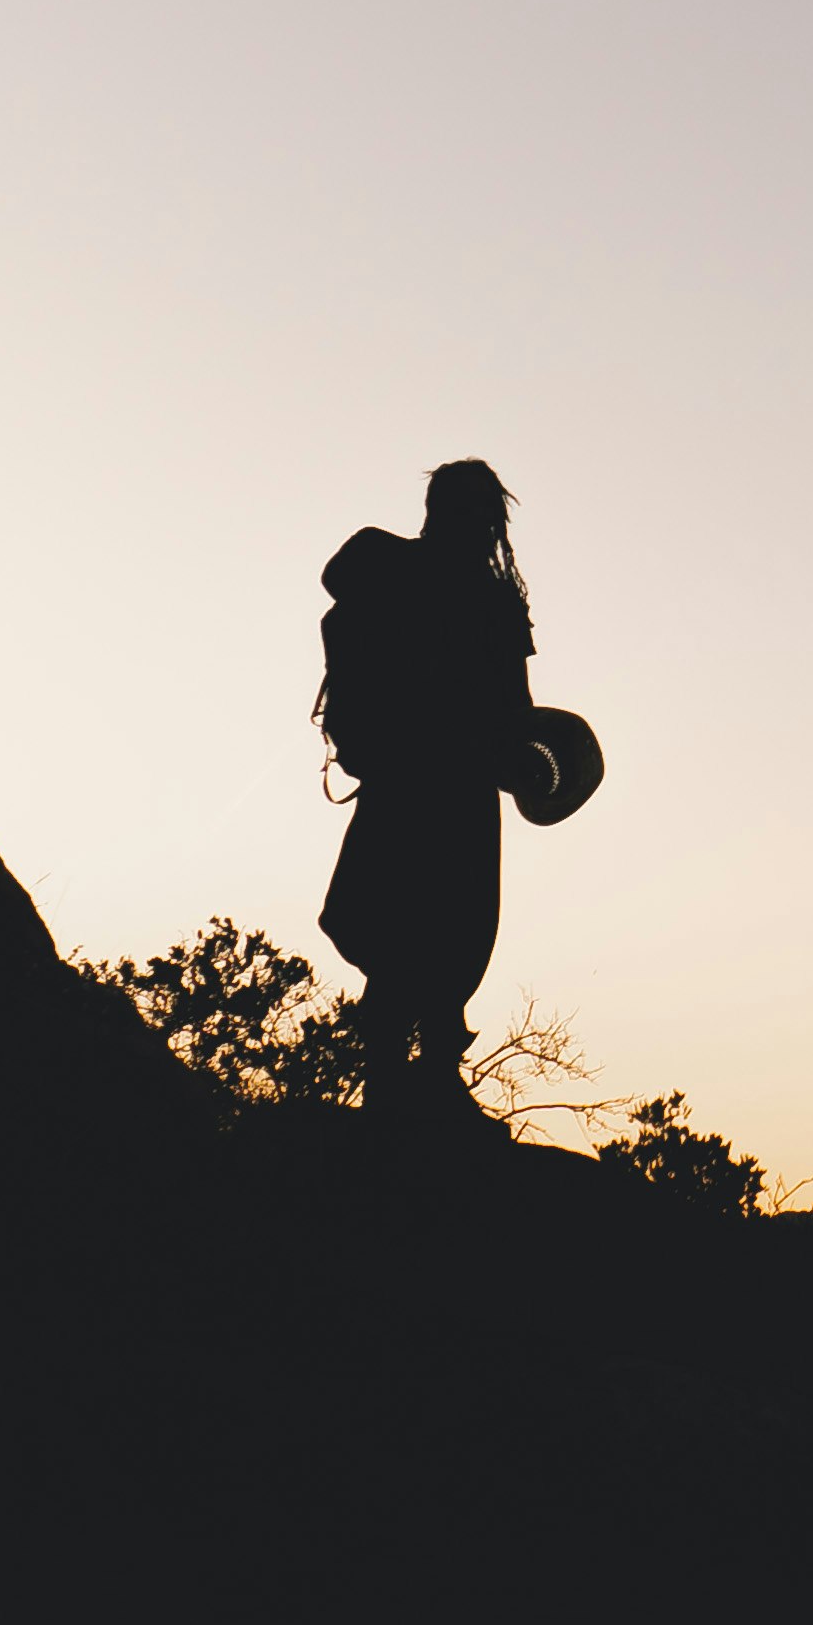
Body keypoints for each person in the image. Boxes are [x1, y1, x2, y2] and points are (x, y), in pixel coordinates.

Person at [313, 458, 557, 1127]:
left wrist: (523, 759)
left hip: (465, 786)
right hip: (409, 778)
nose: (480, 522)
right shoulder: (392, 567)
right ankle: (392, 1079)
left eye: (486, 510)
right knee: (400, 927)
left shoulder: (497, 602)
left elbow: (516, 702)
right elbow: (341, 580)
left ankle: (437, 1077)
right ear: (438, 510)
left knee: (458, 931)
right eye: (468, 507)